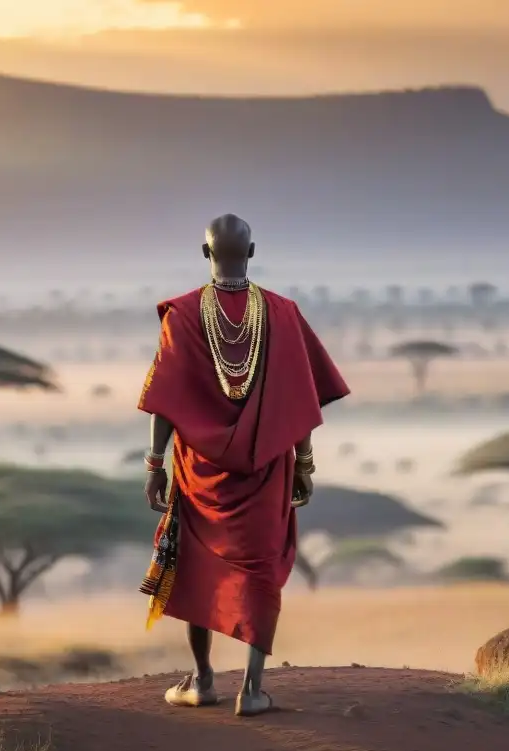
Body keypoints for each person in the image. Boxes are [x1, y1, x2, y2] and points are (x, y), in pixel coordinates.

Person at [136, 213, 350, 717]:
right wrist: (304, 462)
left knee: (195, 568)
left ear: (204, 252)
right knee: (260, 570)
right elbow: (299, 399)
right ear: (252, 253)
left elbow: (163, 400)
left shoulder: (184, 314)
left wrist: (154, 465)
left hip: (198, 473)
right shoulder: (282, 312)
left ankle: (204, 680)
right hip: (266, 471)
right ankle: (252, 690)